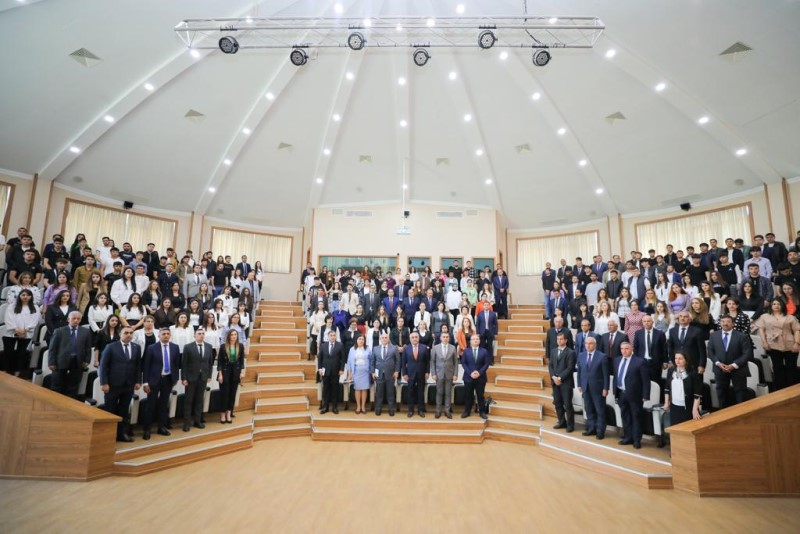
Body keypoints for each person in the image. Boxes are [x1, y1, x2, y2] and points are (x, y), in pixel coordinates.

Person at [99, 326, 142, 442]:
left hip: (128, 385)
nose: (129, 335)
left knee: (124, 410)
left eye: (131, 333)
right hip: (113, 385)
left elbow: (138, 366)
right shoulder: (111, 347)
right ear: (120, 334)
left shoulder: (136, 347)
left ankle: (122, 434)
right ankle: (108, 436)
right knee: (110, 410)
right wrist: (104, 383)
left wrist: (138, 381)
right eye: (126, 333)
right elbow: (103, 366)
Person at [141, 327, 181, 439]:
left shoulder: (175, 347)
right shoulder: (151, 348)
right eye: (163, 334)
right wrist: (145, 383)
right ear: (159, 335)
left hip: (168, 380)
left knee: (164, 404)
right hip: (153, 380)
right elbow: (146, 366)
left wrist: (175, 379)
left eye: (168, 333)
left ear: (170, 335)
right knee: (150, 405)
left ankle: (161, 427)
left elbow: (176, 365)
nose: (166, 335)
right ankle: (147, 429)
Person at [753, 299, 800, 390]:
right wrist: (764, 342)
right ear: (771, 306)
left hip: (790, 344)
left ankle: (792, 389)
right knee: (777, 368)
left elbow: (797, 330)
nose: (776, 306)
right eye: (774, 304)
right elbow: (761, 330)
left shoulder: (790, 317)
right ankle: (780, 390)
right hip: (773, 344)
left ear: (782, 305)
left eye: (779, 304)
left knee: (791, 368)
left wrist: (797, 343)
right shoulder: (765, 316)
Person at [708, 314, 754, 408]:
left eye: (728, 322)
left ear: (733, 324)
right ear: (720, 323)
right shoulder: (714, 336)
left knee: (740, 394)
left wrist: (734, 365)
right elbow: (710, 352)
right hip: (720, 369)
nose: (725, 324)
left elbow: (747, 354)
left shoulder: (742, 336)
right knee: (722, 394)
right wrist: (718, 363)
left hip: (738, 369)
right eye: (723, 321)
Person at [613, 342, 650, 449]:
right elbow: (616, 376)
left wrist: (645, 395)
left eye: (626, 348)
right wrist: (615, 392)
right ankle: (627, 437)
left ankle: (637, 440)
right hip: (621, 393)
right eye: (622, 349)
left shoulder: (640, 361)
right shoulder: (617, 360)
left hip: (635, 395)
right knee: (625, 416)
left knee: (636, 417)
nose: (624, 351)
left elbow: (645, 380)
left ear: (632, 349)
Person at [180, 328, 214, 431]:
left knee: (199, 400)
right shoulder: (188, 347)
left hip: (203, 377)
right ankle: (187, 423)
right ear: (194, 335)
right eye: (199, 333)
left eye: (203, 333)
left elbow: (210, 363)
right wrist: (184, 378)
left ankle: (197, 421)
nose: (201, 335)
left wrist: (209, 375)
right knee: (188, 400)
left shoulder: (209, 346)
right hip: (190, 378)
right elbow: (184, 364)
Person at [2, 289, 40, 377]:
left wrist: (25, 330)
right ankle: (5, 371)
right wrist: (16, 329)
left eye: (28, 295)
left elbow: (35, 320)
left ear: (31, 297)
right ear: (19, 296)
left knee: (21, 354)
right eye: (23, 295)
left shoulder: (35, 307)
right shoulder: (12, 306)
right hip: (10, 333)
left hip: (26, 333)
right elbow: (8, 318)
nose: (25, 297)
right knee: (8, 353)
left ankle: (17, 373)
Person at [577, 336, 609, 440]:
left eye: (590, 343)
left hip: (598, 388)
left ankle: (600, 431)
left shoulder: (602, 356)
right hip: (585, 387)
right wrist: (579, 384)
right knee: (588, 409)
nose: (588, 345)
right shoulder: (581, 355)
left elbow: (606, 375)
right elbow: (580, 372)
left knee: (600, 410)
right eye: (586, 343)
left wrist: (606, 388)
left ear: (595, 345)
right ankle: (591, 428)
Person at [663, 352, 703, 429]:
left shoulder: (693, 374)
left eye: (680, 358)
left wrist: (695, 410)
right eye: (676, 358)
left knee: (688, 429)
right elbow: (667, 389)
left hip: (688, 407)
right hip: (674, 407)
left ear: (686, 360)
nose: (677, 361)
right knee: (675, 429)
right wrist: (666, 402)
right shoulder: (671, 371)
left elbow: (697, 394)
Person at [549, 332, 577, 432]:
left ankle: (570, 425)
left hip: (566, 383)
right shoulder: (553, 351)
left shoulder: (571, 352)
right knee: (557, 403)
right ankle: (561, 422)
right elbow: (550, 366)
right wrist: (553, 377)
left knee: (568, 404)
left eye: (561, 339)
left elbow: (570, 368)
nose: (559, 341)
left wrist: (559, 378)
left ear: (566, 340)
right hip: (555, 382)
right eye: (558, 339)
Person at [217, 329, 246, 424]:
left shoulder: (240, 346)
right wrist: (220, 374)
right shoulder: (223, 346)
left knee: (232, 394)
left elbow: (241, 361)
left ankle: (229, 413)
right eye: (232, 335)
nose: (234, 336)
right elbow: (220, 362)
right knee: (224, 394)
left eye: (235, 334)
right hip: (225, 372)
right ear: (229, 336)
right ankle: (222, 414)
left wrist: (242, 372)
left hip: (235, 373)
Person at [370, 332, 400, 416]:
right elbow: (372, 361)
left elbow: (398, 361)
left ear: (388, 339)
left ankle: (391, 409)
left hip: (391, 374)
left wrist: (397, 371)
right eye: (382, 338)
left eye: (386, 337)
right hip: (378, 374)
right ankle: (378, 408)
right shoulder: (375, 348)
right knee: (379, 392)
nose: (384, 339)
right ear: (380, 339)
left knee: (390, 392)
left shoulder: (394, 348)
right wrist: (372, 372)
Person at [461, 333, 490, 419]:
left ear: (479, 341)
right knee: (468, 395)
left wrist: (479, 373)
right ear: (470, 341)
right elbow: (463, 363)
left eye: (477, 339)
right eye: (473, 339)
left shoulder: (484, 351)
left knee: (480, 395)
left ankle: (482, 412)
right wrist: (470, 373)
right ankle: (467, 411)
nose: (475, 340)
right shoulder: (466, 351)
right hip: (468, 377)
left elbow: (486, 364)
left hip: (481, 377)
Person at [633, 314, 668, 386]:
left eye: (648, 321)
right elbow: (636, 348)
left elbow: (664, 348)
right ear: (642, 323)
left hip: (656, 362)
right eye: (644, 321)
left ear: (652, 322)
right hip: (642, 361)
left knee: (656, 383)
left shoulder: (660, 334)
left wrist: (665, 361)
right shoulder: (638, 333)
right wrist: (635, 360)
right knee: (642, 382)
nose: (646, 323)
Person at [401, 332, 430, 417]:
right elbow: (403, 363)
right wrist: (404, 373)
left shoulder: (424, 348)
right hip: (410, 374)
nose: (414, 339)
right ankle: (410, 410)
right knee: (410, 392)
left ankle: (421, 410)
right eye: (412, 337)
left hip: (421, 373)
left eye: (416, 337)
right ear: (410, 339)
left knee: (421, 392)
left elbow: (427, 362)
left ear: (418, 338)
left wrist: (427, 372)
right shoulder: (406, 349)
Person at [431, 331, 458, 419]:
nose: (445, 338)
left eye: (447, 337)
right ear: (440, 338)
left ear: (449, 338)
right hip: (439, 374)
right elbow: (432, 362)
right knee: (439, 392)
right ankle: (438, 411)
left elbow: (456, 362)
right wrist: (433, 373)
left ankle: (447, 410)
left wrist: (455, 374)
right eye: (444, 337)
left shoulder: (453, 348)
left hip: (449, 374)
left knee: (448, 393)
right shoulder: (435, 348)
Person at [318, 329, 345, 414]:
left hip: (336, 371)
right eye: (331, 335)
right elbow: (320, 358)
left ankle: (334, 407)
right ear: (328, 337)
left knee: (335, 389)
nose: (333, 337)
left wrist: (342, 369)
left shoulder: (340, 345)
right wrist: (320, 369)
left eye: (334, 335)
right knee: (326, 389)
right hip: (325, 371)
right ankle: (325, 407)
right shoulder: (323, 345)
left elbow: (343, 359)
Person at [346, 334, 371, 414]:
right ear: (356, 340)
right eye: (359, 339)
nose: (361, 340)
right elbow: (349, 362)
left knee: (364, 389)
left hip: (365, 372)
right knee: (357, 389)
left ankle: (363, 406)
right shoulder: (352, 349)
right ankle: (358, 406)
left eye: (362, 339)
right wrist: (349, 374)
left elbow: (371, 360)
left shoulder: (368, 349)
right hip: (356, 371)